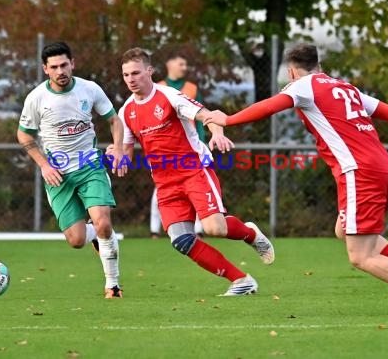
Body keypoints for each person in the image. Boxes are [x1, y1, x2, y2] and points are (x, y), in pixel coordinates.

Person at [203, 43, 388, 314]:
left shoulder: (302, 86)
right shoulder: (346, 88)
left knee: (361, 256)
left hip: (359, 172)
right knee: (344, 230)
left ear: (291, 72)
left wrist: (228, 120)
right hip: (378, 166)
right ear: (319, 66)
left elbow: (268, 107)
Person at [113, 47, 275, 296]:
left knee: (214, 229)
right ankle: (241, 281)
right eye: (126, 75)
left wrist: (218, 134)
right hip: (165, 183)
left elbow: (208, 116)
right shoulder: (126, 111)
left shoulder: (169, 96)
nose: (131, 79)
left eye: (136, 73)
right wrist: (117, 157)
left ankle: (250, 233)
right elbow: (126, 153)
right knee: (182, 241)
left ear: (149, 71)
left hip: (194, 170)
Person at [17, 41, 124, 298]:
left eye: (64, 65)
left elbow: (114, 119)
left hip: (90, 166)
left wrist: (118, 147)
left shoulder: (89, 89)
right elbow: (23, 135)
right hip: (58, 174)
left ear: (72, 64)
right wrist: (43, 165)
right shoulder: (36, 98)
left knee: (103, 222)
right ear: (46, 69)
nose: (60, 71)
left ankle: (113, 284)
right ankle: (99, 237)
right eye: (54, 67)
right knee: (76, 240)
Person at [150, 51, 205, 239]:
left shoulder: (191, 88)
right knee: (161, 189)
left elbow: (200, 117)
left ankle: (198, 229)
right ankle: (154, 229)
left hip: (189, 148)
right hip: (164, 149)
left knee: (195, 186)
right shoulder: (158, 88)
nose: (184, 67)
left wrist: (202, 143)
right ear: (169, 64)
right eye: (181, 63)